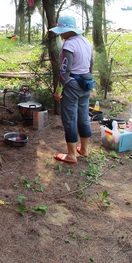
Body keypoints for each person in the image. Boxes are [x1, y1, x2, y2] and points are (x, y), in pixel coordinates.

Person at [49, 15, 94, 165]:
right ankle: (84, 149)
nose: (61, 34)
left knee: (69, 118)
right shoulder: (86, 42)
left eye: (62, 31)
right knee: (83, 116)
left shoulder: (69, 45)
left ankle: (71, 154)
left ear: (68, 30)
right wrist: (87, 79)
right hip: (86, 82)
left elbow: (65, 69)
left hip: (72, 84)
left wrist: (59, 90)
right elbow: (91, 64)